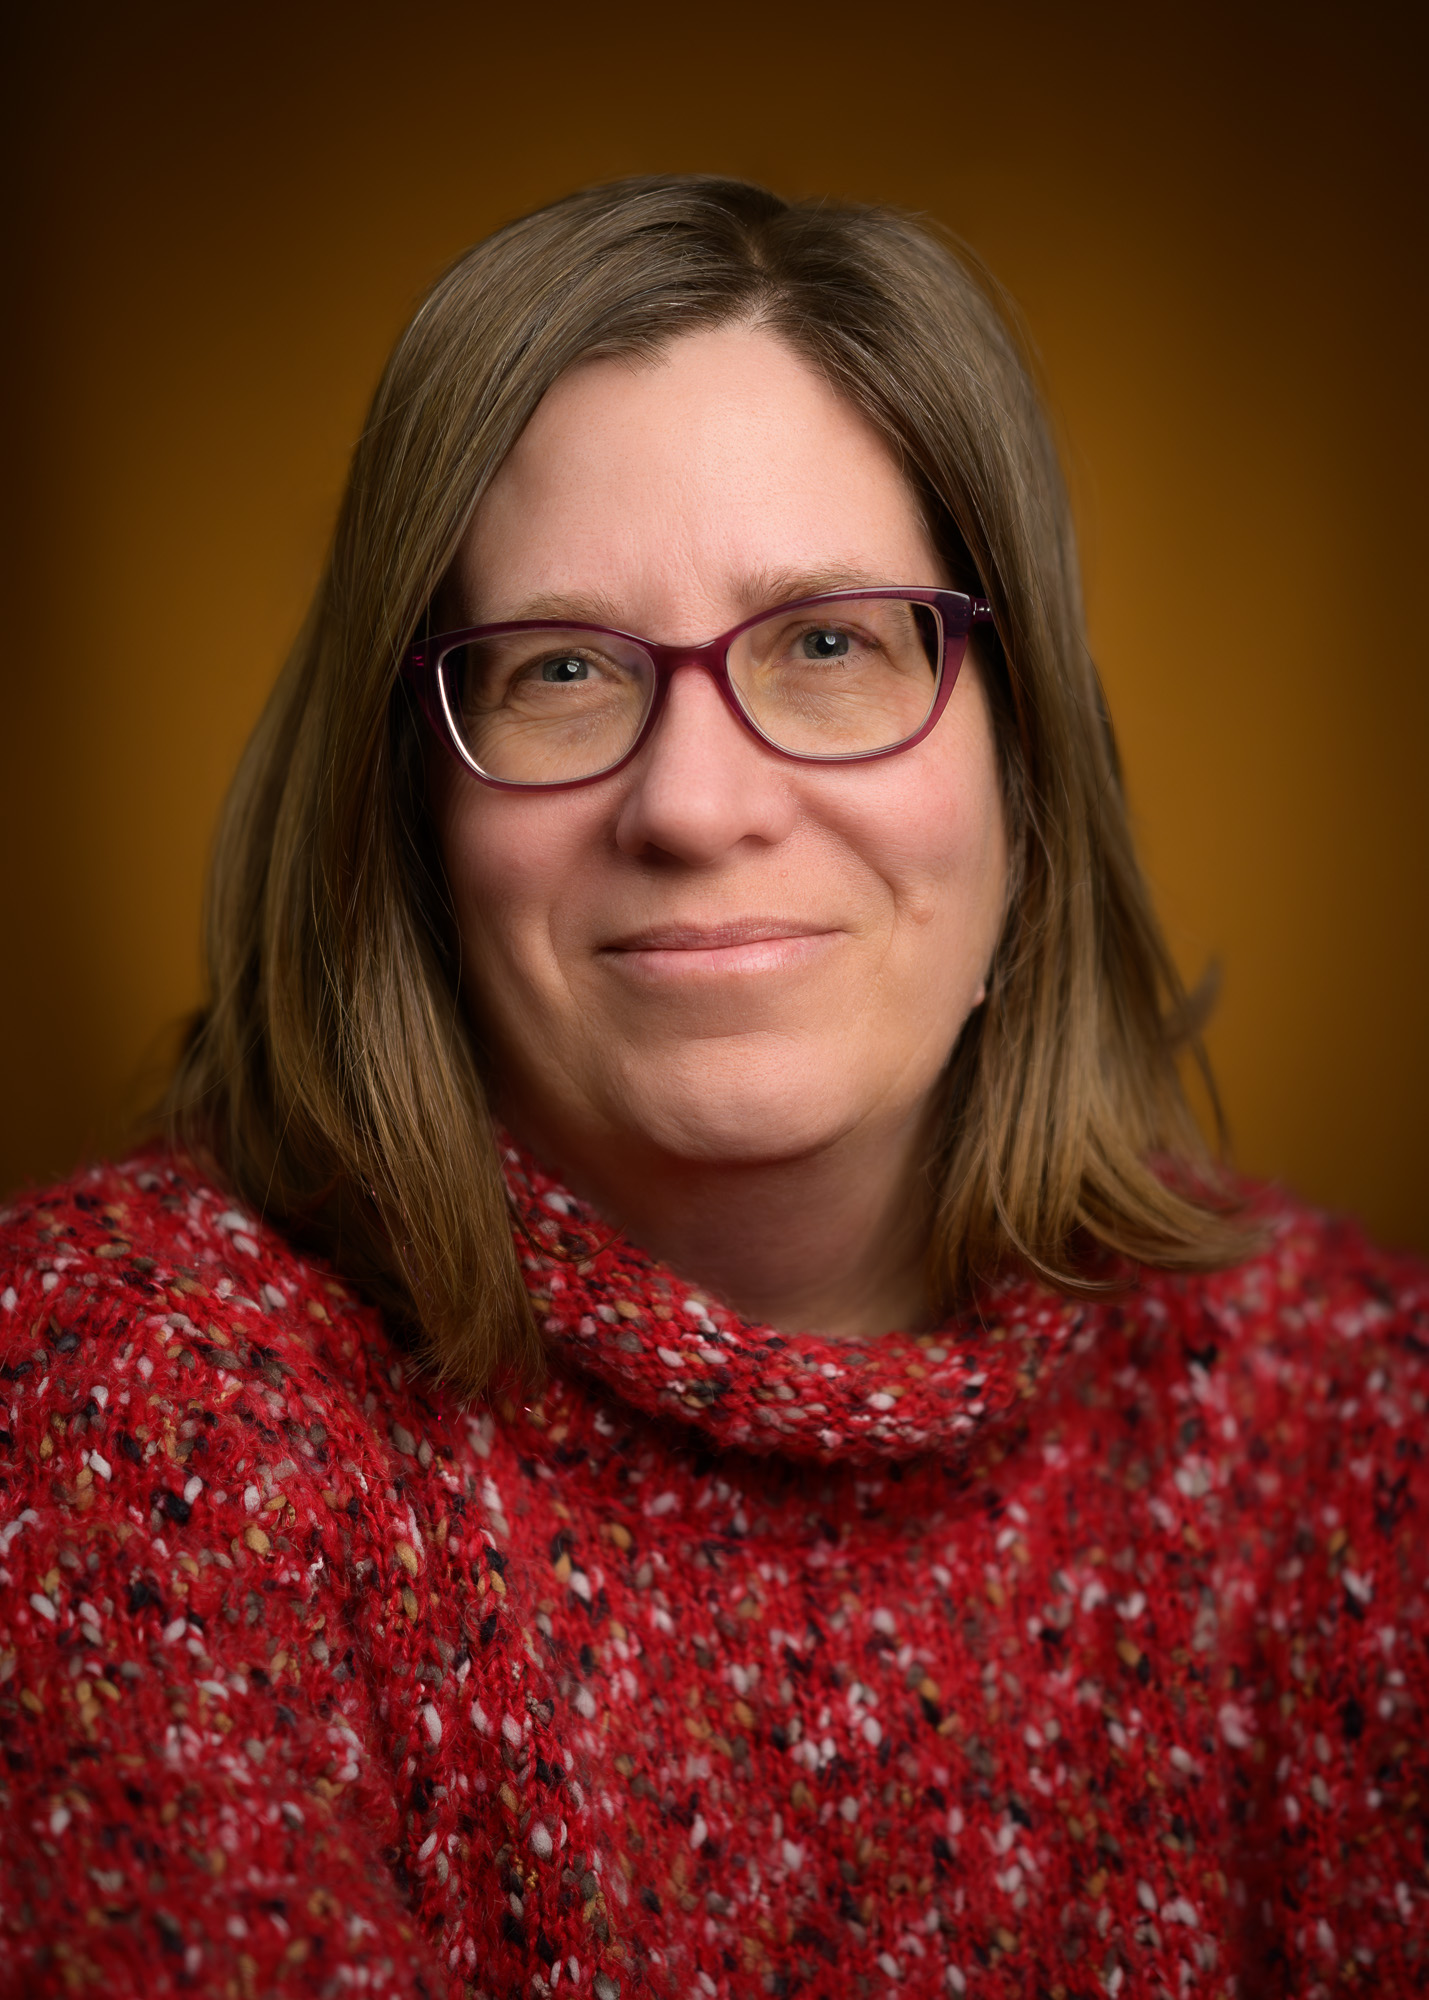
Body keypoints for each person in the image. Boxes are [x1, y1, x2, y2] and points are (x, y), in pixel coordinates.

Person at [0, 176, 1424, 2000]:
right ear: (412, 819)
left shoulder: (1363, 1435)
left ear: (1027, 771)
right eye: (561, 670)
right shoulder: (131, 1396)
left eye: (829, 644)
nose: (690, 803)